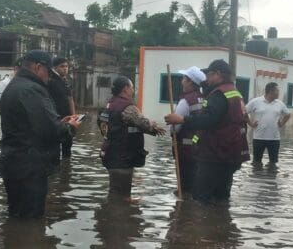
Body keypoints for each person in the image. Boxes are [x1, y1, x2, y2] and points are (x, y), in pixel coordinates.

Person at [0, 50, 81, 218]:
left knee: (16, 217)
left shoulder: (15, 85)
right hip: (30, 168)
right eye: (48, 72)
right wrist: (69, 127)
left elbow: (33, 124)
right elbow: (51, 130)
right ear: (38, 67)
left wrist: (60, 122)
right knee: (31, 221)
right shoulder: (32, 89)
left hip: (14, 163)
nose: (49, 77)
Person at [164, 59, 250, 205]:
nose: (207, 79)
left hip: (215, 154)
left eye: (209, 75)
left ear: (218, 74)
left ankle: (202, 225)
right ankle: (221, 225)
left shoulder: (218, 94)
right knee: (221, 197)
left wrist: (182, 119)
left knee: (200, 198)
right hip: (231, 153)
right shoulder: (234, 92)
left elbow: (207, 120)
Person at [98, 76, 165, 202]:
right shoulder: (127, 107)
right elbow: (144, 123)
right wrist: (154, 126)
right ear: (125, 89)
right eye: (132, 88)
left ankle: (116, 209)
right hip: (122, 156)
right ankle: (119, 214)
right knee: (119, 197)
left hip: (110, 153)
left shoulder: (109, 104)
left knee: (116, 191)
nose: (133, 91)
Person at [170, 66, 206, 194]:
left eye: (184, 79)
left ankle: (184, 210)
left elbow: (175, 127)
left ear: (190, 81)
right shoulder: (205, 98)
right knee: (197, 184)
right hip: (202, 149)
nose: (182, 81)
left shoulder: (186, 101)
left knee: (185, 187)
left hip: (186, 151)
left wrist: (171, 128)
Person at [246, 82, 291, 165]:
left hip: (274, 138)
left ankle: (271, 176)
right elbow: (244, 113)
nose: (279, 93)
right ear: (271, 91)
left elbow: (288, 114)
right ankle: (257, 177)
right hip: (259, 137)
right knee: (256, 162)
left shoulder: (279, 103)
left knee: (273, 163)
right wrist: (251, 124)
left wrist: (281, 123)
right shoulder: (256, 101)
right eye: (277, 90)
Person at [46, 57, 76, 159]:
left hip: (68, 119)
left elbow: (70, 99)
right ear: (55, 68)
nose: (65, 69)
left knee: (67, 148)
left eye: (66, 66)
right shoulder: (51, 81)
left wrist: (74, 116)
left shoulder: (66, 82)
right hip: (56, 119)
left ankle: (66, 170)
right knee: (55, 149)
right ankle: (58, 172)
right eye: (62, 66)